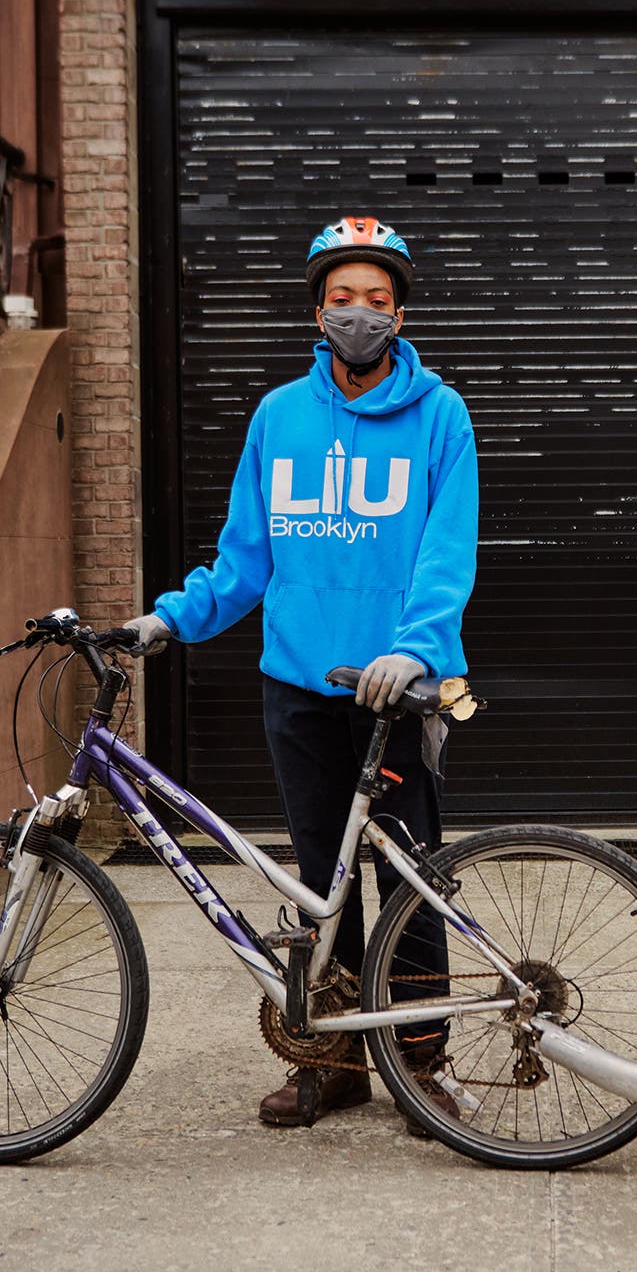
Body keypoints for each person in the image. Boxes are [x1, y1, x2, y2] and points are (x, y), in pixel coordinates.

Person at [126, 216, 479, 1132]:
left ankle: (420, 1060)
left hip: (396, 689)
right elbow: (247, 560)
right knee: (320, 880)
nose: (358, 314)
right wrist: (172, 617)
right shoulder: (279, 416)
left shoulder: (441, 416)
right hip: (299, 688)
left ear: (399, 313)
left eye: (377, 299)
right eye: (342, 298)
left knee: (409, 880)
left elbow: (447, 554)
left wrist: (418, 649)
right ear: (317, 309)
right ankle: (332, 1059)